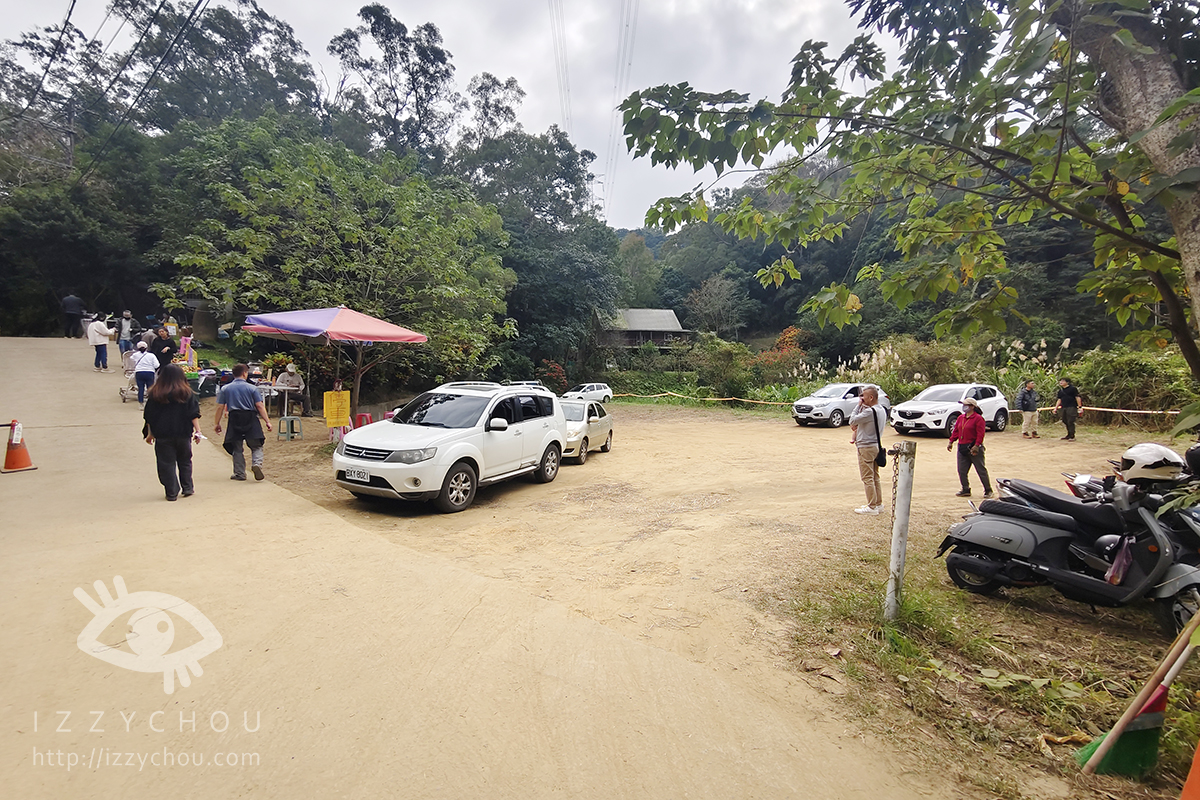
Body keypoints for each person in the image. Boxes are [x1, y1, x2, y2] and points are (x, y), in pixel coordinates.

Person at [142, 364, 201, 501]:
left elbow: (149, 416)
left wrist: (150, 433)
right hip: (183, 433)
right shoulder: (187, 393)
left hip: (162, 435)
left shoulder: (155, 393)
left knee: (166, 463)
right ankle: (187, 487)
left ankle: (171, 491)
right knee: (185, 461)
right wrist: (198, 431)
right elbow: (193, 414)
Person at [214, 363, 272, 481]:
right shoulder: (252, 388)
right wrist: (267, 421)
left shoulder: (225, 388)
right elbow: (259, 405)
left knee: (237, 447)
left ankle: (240, 473)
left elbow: (220, 407)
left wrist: (217, 423)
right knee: (256, 445)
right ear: (245, 373)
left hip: (234, 417)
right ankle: (256, 464)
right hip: (250, 416)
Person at [848, 386, 887, 515]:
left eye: (863, 396)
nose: (862, 399)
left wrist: (858, 406)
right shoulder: (881, 410)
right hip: (875, 445)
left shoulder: (870, 412)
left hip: (866, 446)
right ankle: (878, 503)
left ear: (871, 397)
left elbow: (852, 420)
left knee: (867, 477)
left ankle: (871, 506)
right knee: (875, 476)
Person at [948, 397, 993, 498]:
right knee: (961, 470)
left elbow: (980, 434)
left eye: (966, 405)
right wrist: (951, 441)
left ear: (972, 407)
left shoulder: (978, 419)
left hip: (973, 447)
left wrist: (977, 445)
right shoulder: (961, 418)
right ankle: (965, 489)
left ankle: (988, 490)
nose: (964, 407)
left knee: (980, 469)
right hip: (962, 446)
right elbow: (956, 431)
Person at [132, 341, 160, 407]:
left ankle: (141, 403)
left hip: (139, 372)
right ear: (147, 347)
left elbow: (131, 359)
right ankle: (150, 402)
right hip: (150, 372)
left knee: (140, 388)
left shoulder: (135, 355)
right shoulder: (151, 355)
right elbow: (157, 365)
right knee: (150, 388)